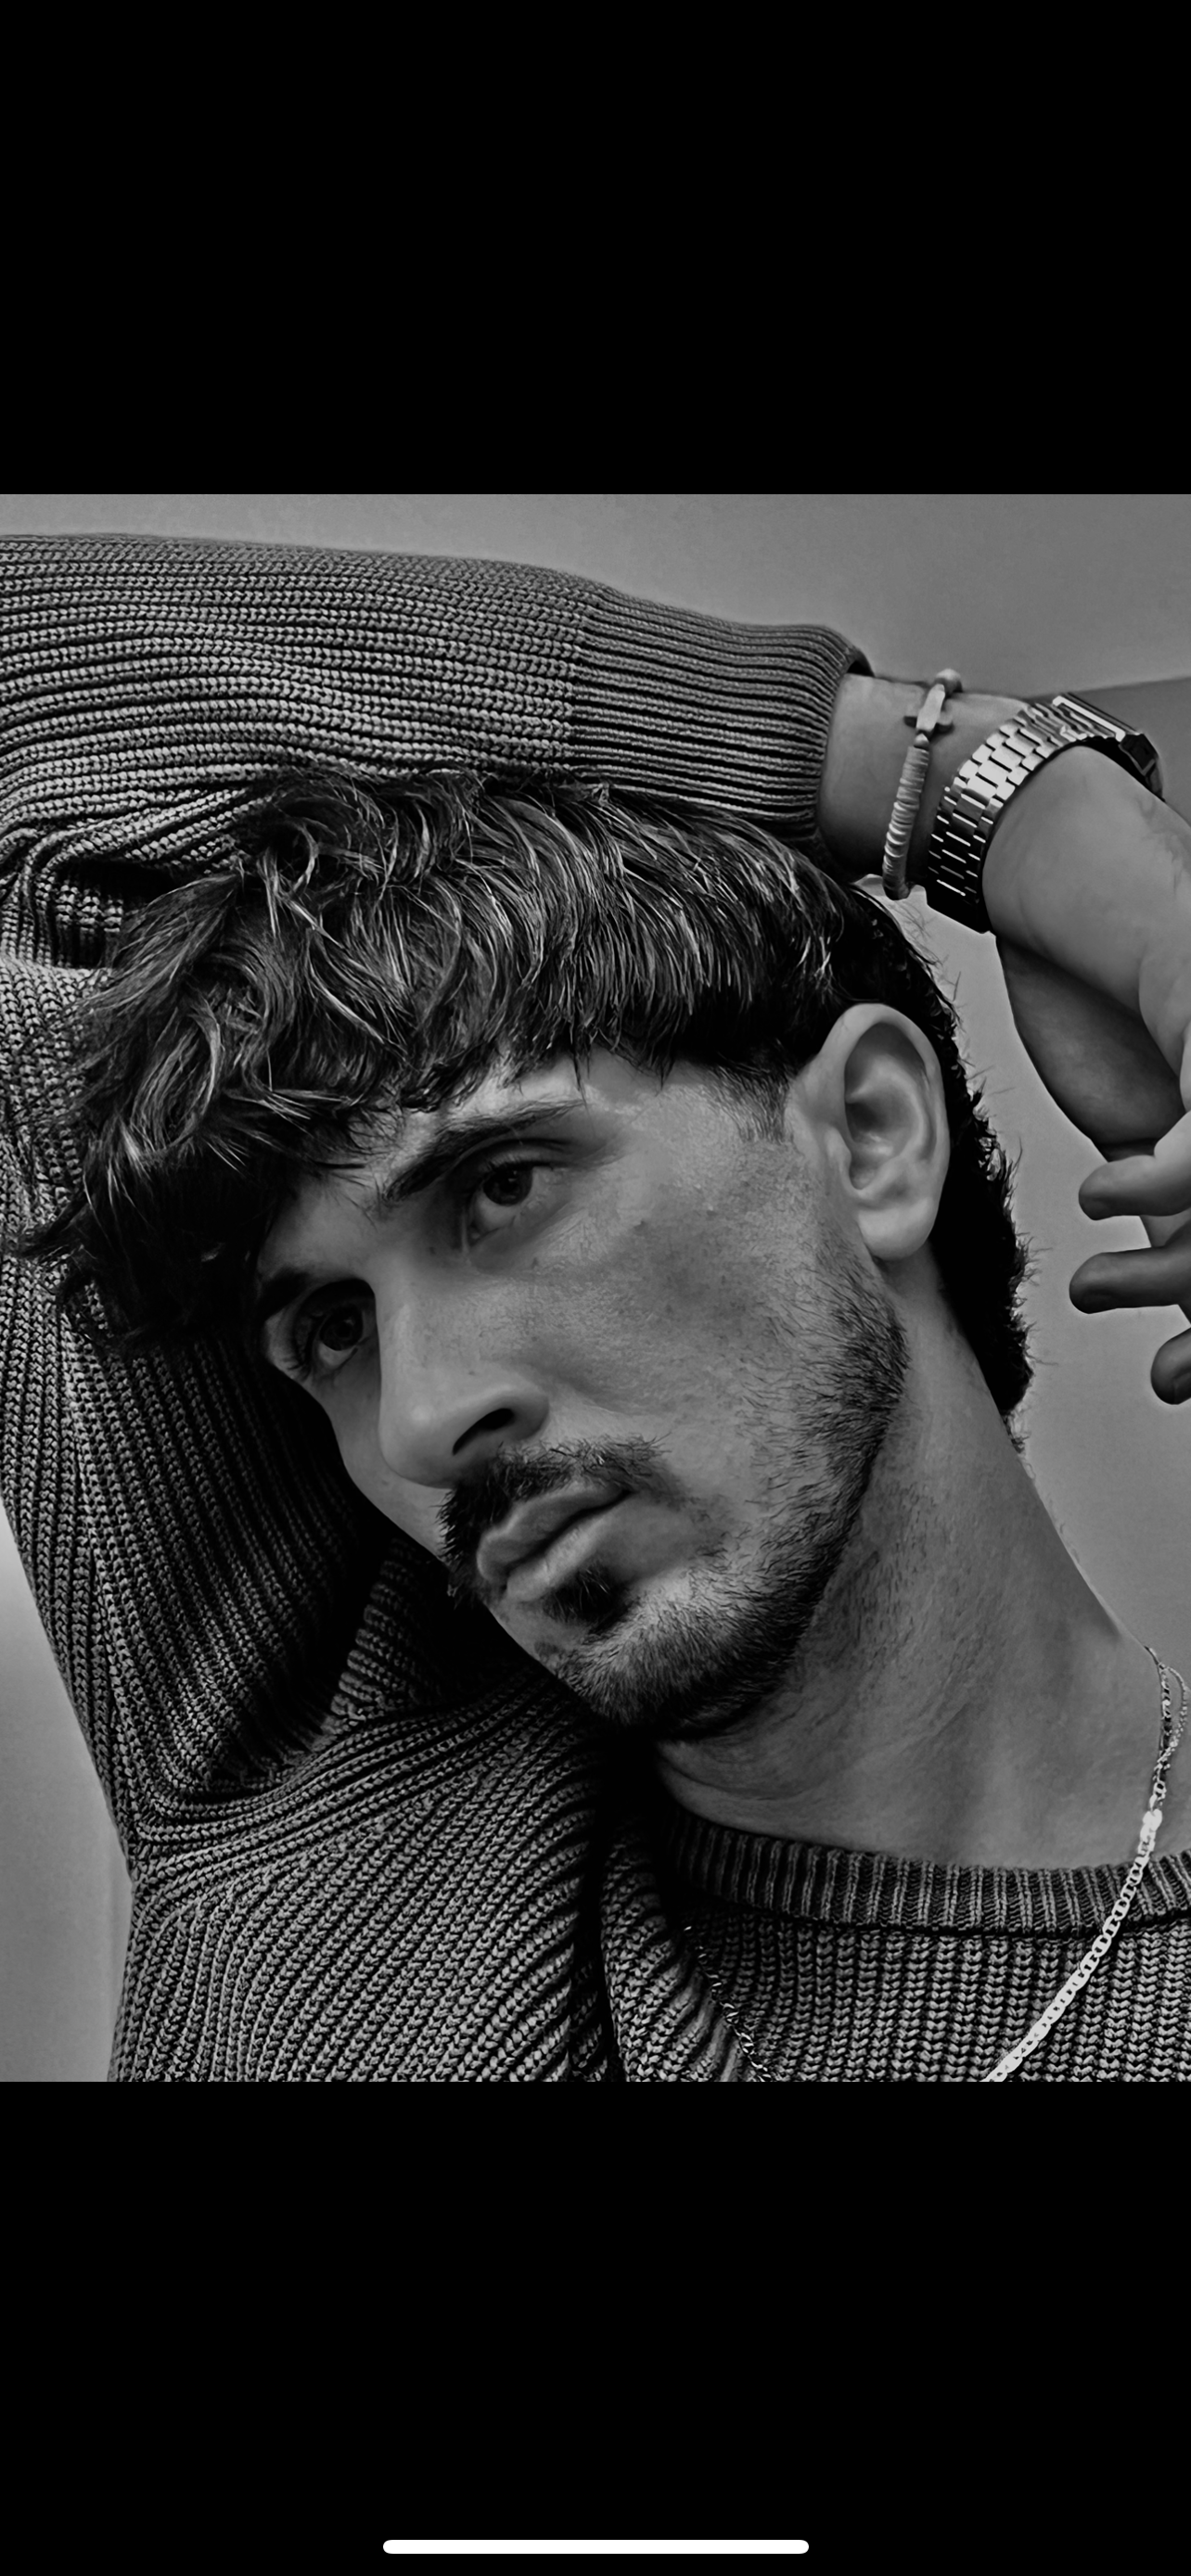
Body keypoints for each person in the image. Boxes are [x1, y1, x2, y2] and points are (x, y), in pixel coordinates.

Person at [3, 529, 1191, 2082]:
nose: (425, 1422)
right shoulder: (307, 1791)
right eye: (332, 1332)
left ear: (874, 1138)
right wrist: (994, 796)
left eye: (498, 1188)